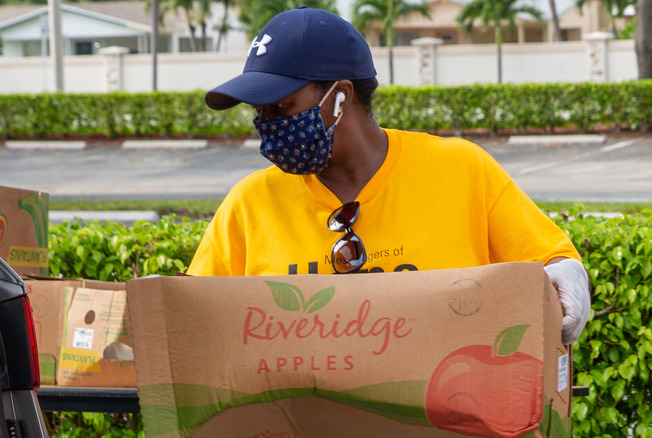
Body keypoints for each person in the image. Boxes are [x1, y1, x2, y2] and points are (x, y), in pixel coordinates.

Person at [186, 6, 590, 345]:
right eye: (260, 113)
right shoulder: (249, 203)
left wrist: (564, 279)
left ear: (340, 97)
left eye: (281, 107)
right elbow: (194, 317)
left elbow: (552, 260)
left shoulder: (462, 170)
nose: (267, 124)